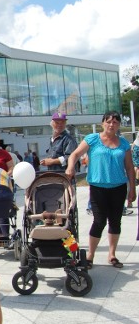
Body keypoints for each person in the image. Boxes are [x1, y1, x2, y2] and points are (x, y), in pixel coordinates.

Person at [66, 111, 136, 270]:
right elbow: (75, 154)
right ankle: (90, 255)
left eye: (115, 122)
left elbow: (130, 168)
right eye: (109, 121)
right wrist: (70, 166)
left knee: (115, 221)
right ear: (102, 123)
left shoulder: (124, 143)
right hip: (98, 188)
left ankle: (112, 254)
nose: (112, 125)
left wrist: (132, 189)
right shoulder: (92, 139)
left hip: (118, 188)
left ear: (119, 125)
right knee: (99, 221)